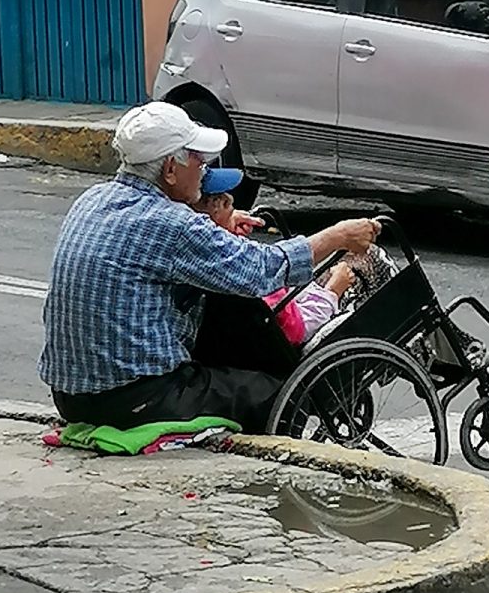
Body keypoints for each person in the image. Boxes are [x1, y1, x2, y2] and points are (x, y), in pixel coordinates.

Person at [39, 101, 381, 432]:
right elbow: (261, 269)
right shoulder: (170, 222)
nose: (204, 169)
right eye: (198, 161)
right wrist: (337, 237)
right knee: (280, 394)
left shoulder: (92, 200)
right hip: (132, 398)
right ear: (170, 171)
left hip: (69, 394)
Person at [196, 169, 354, 345]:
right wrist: (332, 292)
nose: (231, 200)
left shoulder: (200, 251)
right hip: (285, 331)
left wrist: (227, 228)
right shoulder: (244, 270)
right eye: (226, 205)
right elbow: (297, 329)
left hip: (263, 317)